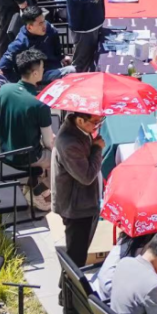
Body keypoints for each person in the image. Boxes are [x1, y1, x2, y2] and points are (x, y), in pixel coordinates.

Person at [0, 49, 55, 210]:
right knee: (59, 157)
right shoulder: (40, 103)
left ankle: (34, 185)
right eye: (42, 68)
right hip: (26, 157)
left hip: (5, 151)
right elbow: (48, 142)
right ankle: (37, 191)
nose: (44, 71)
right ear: (35, 73)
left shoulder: (4, 90)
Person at [52, 111, 106, 267]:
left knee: (78, 253)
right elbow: (86, 176)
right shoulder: (69, 144)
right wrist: (97, 148)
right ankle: (68, 283)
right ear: (81, 120)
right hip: (76, 208)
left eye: (100, 121)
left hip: (83, 202)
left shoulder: (80, 130)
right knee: (76, 259)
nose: (97, 126)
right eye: (95, 122)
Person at [0, 6, 74, 84]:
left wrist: (61, 57)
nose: (44, 25)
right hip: (40, 75)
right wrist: (20, 82)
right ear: (30, 27)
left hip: (55, 64)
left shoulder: (47, 27)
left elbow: (55, 38)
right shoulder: (20, 44)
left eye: (43, 21)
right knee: (72, 70)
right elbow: (1, 69)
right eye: (40, 23)